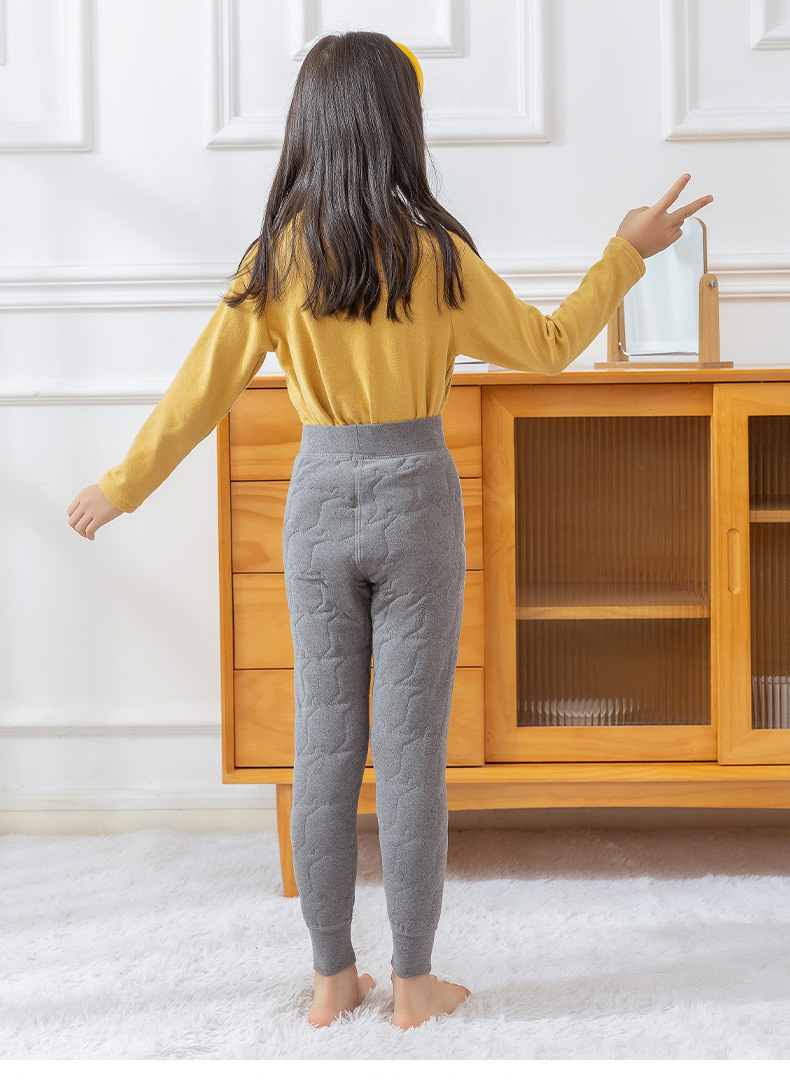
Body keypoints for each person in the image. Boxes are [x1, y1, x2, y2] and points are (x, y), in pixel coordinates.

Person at [66, 30, 713, 1030]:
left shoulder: (277, 257)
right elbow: (547, 347)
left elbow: (202, 391)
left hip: (318, 504)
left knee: (323, 747)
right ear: (400, 126)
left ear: (310, 126)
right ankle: (414, 985)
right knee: (410, 751)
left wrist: (122, 486)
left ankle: (332, 981)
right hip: (418, 503)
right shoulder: (436, 256)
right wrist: (625, 253)